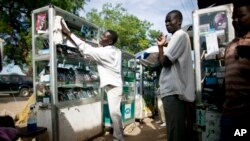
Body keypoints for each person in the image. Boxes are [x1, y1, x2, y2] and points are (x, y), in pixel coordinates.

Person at [61, 21, 124, 141]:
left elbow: (86, 48)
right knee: (116, 113)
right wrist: (100, 46)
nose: (101, 37)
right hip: (115, 85)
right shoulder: (116, 51)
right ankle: (119, 134)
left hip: (113, 87)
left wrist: (69, 33)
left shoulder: (105, 52)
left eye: (104, 36)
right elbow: (95, 53)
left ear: (110, 41)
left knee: (114, 114)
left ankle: (119, 138)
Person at [156, 10, 195, 141]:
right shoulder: (176, 37)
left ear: (179, 21)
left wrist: (161, 48)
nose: (167, 23)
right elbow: (163, 62)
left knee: (175, 133)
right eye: (165, 21)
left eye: (170, 20)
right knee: (176, 131)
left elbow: (165, 62)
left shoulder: (179, 35)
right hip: (173, 92)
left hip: (173, 92)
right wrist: (161, 47)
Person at [220, 2, 250, 141]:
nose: (235, 20)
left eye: (241, 16)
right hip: (228, 114)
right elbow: (228, 77)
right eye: (233, 17)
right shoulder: (230, 46)